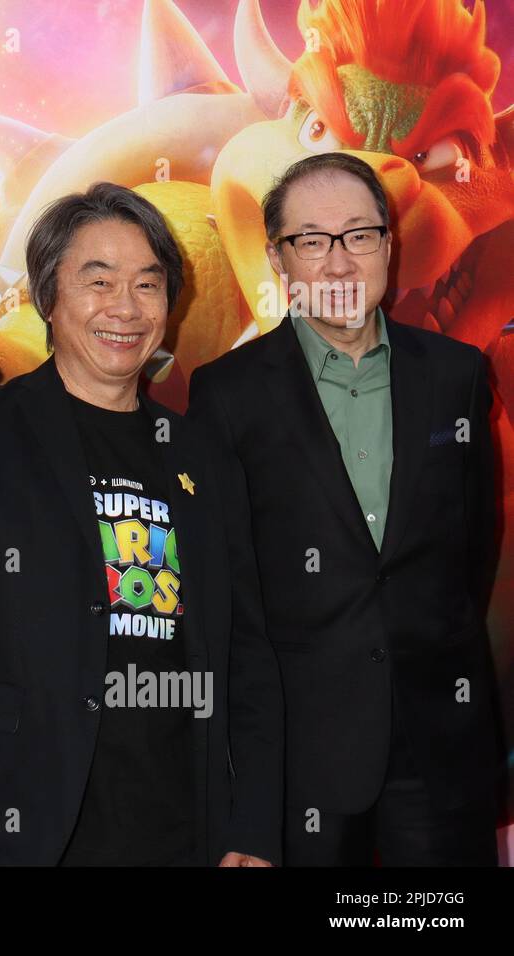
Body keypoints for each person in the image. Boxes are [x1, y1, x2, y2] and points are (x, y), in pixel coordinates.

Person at [0, 182, 282, 866]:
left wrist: (254, 826)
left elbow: (248, 648)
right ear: (46, 297)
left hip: (170, 815)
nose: (125, 307)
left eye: (148, 285)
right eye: (99, 281)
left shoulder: (200, 453)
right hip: (11, 813)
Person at [189, 151, 502, 865]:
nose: (337, 263)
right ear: (276, 257)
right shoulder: (228, 395)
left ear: (389, 246)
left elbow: (473, 548)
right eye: (311, 240)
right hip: (301, 759)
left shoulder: (454, 375)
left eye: (359, 235)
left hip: (438, 745)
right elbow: (227, 593)